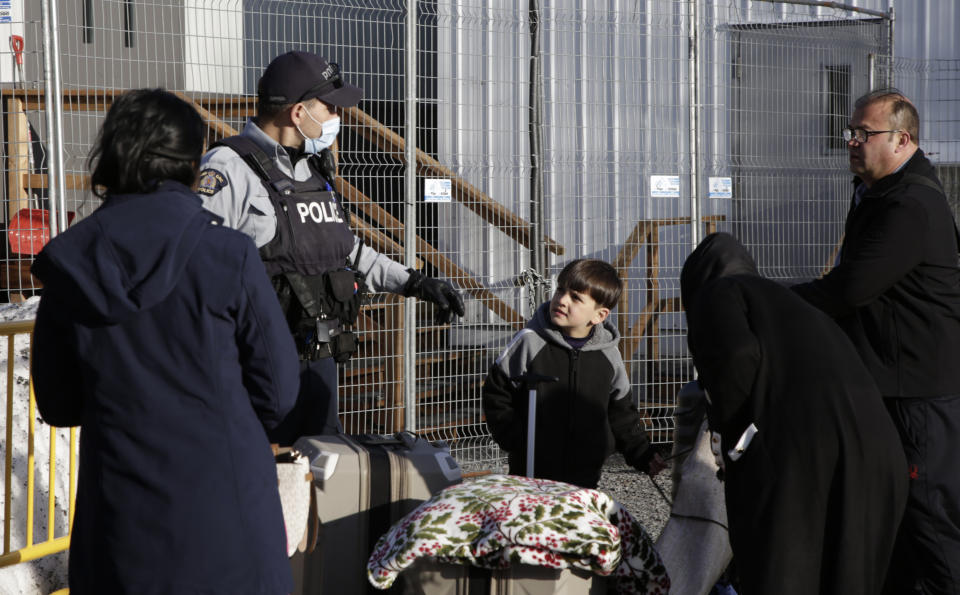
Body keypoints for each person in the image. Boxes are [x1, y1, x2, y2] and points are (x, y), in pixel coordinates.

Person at [30, 89, 300, 594]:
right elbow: (280, 392)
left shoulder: (70, 263)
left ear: (110, 154)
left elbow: (60, 402)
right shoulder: (228, 253)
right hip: (227, 512)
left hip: (121, 522)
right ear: (192, 161)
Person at [198, 51, 464, 444]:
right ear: (298, 113)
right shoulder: (227, 168)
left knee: (325, 480)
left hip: (320, 361)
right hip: (256, 367)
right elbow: (197, 271)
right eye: (329, 107)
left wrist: (414, 283)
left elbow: (345, 249)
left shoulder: (312, 168)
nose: (337, 118)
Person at [792, 89, 960, 594]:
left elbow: (853, 288)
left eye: (865, 133)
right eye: (851, 132)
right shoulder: (876, 192)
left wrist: (770, 301)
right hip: (889, 382)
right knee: (895, 518)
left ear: (902, 139)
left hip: (918, 391)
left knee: (928, 517)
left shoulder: (910, 204)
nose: (852, 141)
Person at [681, 232, 908, 595]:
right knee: (848, 573)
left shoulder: (719, 293)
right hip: (880, 452)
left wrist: (734, 437)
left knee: (785, 568)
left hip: (803, 455)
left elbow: (737, 358)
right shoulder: (793, 304)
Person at [482, 258, 665, 489]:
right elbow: (496, 393)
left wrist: (643, 454)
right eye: (560, 290)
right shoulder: (529, 342)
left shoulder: (609, 356)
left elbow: (622, 413)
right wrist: (517, 439)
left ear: (599, 315)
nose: (562, 300)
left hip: (585, 476)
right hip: (530, 475)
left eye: (576, 297)